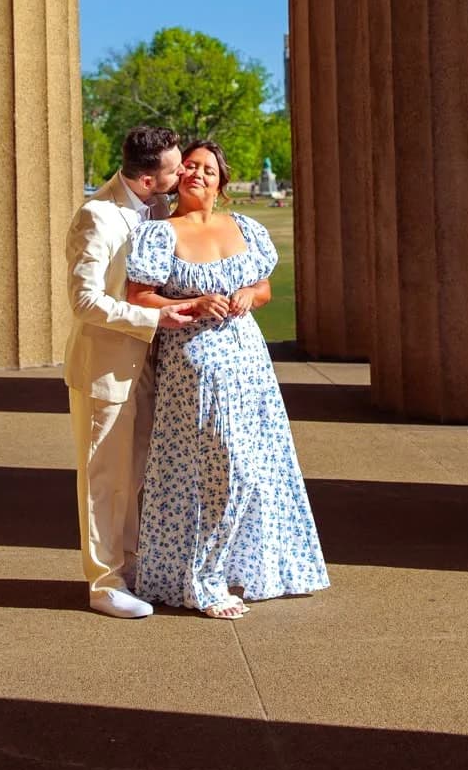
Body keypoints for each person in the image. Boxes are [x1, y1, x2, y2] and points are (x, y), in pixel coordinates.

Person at [125, 139, 330, 619]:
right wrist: (192, 304)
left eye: (208, 170)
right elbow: (140, 296)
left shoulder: (246, 228)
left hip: (249, 361)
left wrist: (245, 295)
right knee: (223, 467)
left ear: (222, 181)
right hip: (194, 364)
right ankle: (203, 579)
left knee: (259, 467)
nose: (198, 174)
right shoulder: (158, 234)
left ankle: (255, 568)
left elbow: (264, 288)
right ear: (178, 177)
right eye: (190, 167)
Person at [64, 125, 191, 619]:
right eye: (174, 168)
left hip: (153, 369)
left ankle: (133, 569)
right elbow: (84, 301)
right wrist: (153, 318)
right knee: (105, 480)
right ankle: (104, 583)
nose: (181, 173)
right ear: (144, 179)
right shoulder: (96, 215)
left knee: (136, 477)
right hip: (107, 372)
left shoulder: (161, 209)